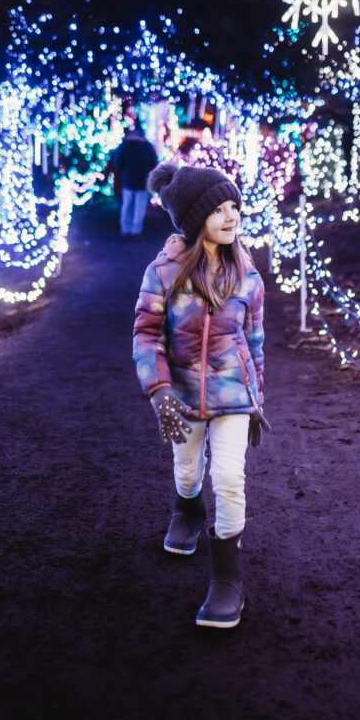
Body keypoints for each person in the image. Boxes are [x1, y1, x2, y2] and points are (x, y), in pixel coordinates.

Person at [133, 162, 270, 629]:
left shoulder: (248, 276)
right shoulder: (164, 274)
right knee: (188, 468)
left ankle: (226, 579)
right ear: (195, 218)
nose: (232, 216)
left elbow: (254, 343)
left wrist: (257, 399)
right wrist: (159, 389)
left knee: (229, 477)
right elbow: (147, 334)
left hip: (234, 395)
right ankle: (186, 506)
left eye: (235, 206)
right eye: (219, 208)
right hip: (183, 396)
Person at [113, 119, 158, 238]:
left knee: (126, 205)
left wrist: (124, 172)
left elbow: (118, 162)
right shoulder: (148, 146)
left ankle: (125, 229)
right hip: (143, 181)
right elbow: (154, 163)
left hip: (127, 179)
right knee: (139, 207)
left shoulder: (124, 145)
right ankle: (136, 231)